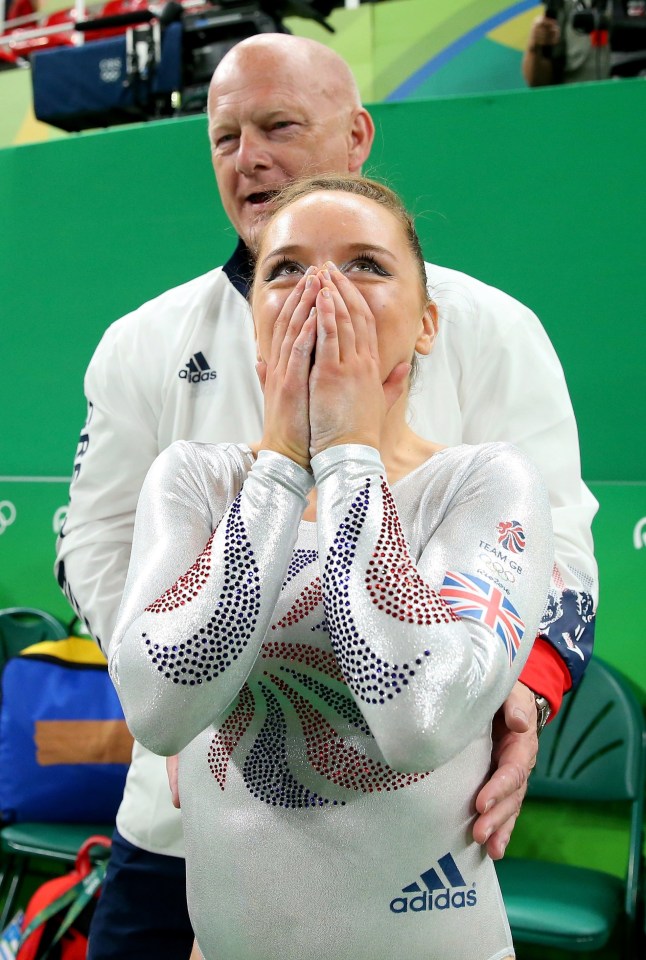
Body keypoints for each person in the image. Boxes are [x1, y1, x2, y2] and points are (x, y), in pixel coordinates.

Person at [55, 33, 598, 960]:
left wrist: (522, 696)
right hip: (180, 812)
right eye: (225, 137)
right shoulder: (144, 344)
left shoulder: (491, 328)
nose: (249, 156)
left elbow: (560, 549)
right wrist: (183, 687)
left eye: (278, 126)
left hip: (405, 830)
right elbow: (95, 544)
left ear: (357, 138)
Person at [110, 174, 555, 960]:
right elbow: (158, 709)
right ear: (254, 329)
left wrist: (348, 453)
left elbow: (420, 719)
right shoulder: (194, 480)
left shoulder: (482, 482)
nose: (323, 290)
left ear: (426, 325)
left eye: (365, 265)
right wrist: (282, 462)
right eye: (284, 270)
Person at [523, 1, 611, 86]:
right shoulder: (561, 5)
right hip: (575, 97)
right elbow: (537, 82)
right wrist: (535, 45)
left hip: (622, 93)